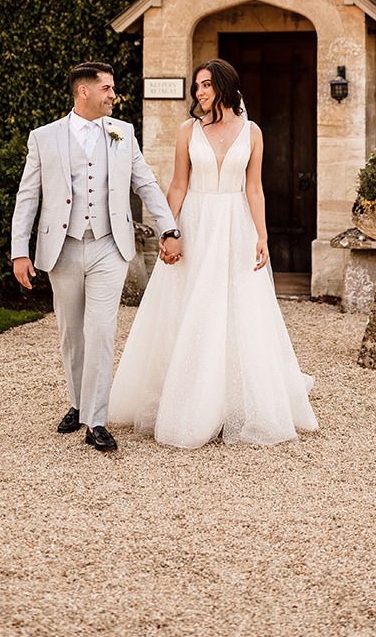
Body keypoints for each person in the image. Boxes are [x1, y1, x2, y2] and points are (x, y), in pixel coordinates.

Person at [106, 59, 318, 447]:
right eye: (197, 87)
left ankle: (233, 401)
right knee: (191, 304)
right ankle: (184, 399)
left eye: (206, 85)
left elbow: (254, 189)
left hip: (236, 224)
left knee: (238, 306)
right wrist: (168, 231)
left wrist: (262, 235)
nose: (199, 92)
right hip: (197, 223)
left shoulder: (252, 132)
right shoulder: (187, 131)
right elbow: (177, 185)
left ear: (224, 86)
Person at [10, 61, 180, 454]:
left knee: (102, 331)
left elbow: (147, 184)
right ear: (83, 91)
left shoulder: (124, 133)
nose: (113, 95)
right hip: (62, 247)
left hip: (109, 245)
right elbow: (28, 196)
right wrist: (20, 250)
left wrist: (168, 228)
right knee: (72, 334)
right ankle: (77, 403)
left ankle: (97, 421)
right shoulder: (44, 137)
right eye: (107, 88)